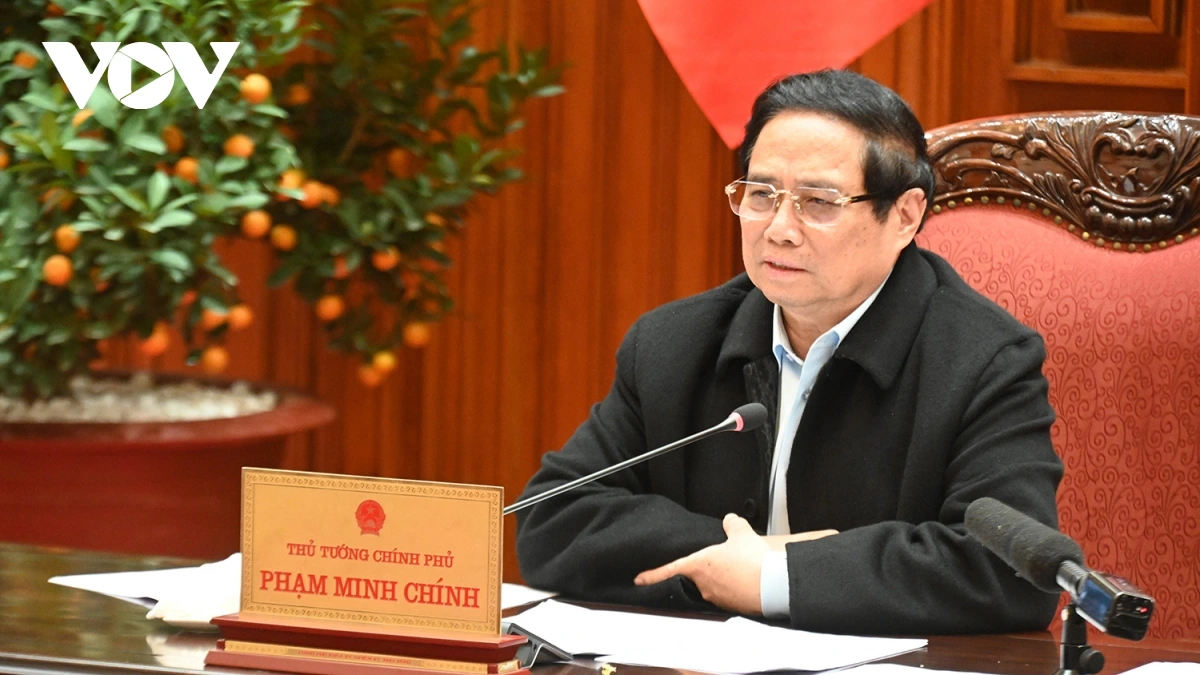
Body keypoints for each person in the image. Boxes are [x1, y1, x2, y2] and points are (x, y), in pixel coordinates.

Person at [514, 69, 1063, 635]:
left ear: (904, 215)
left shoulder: (984, 361)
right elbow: (552, 517)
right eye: (761, 195)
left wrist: (782, 576)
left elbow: (1011, 573)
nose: (778, 229)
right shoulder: (673, 344)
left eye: (818, 202)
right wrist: (743, 561)